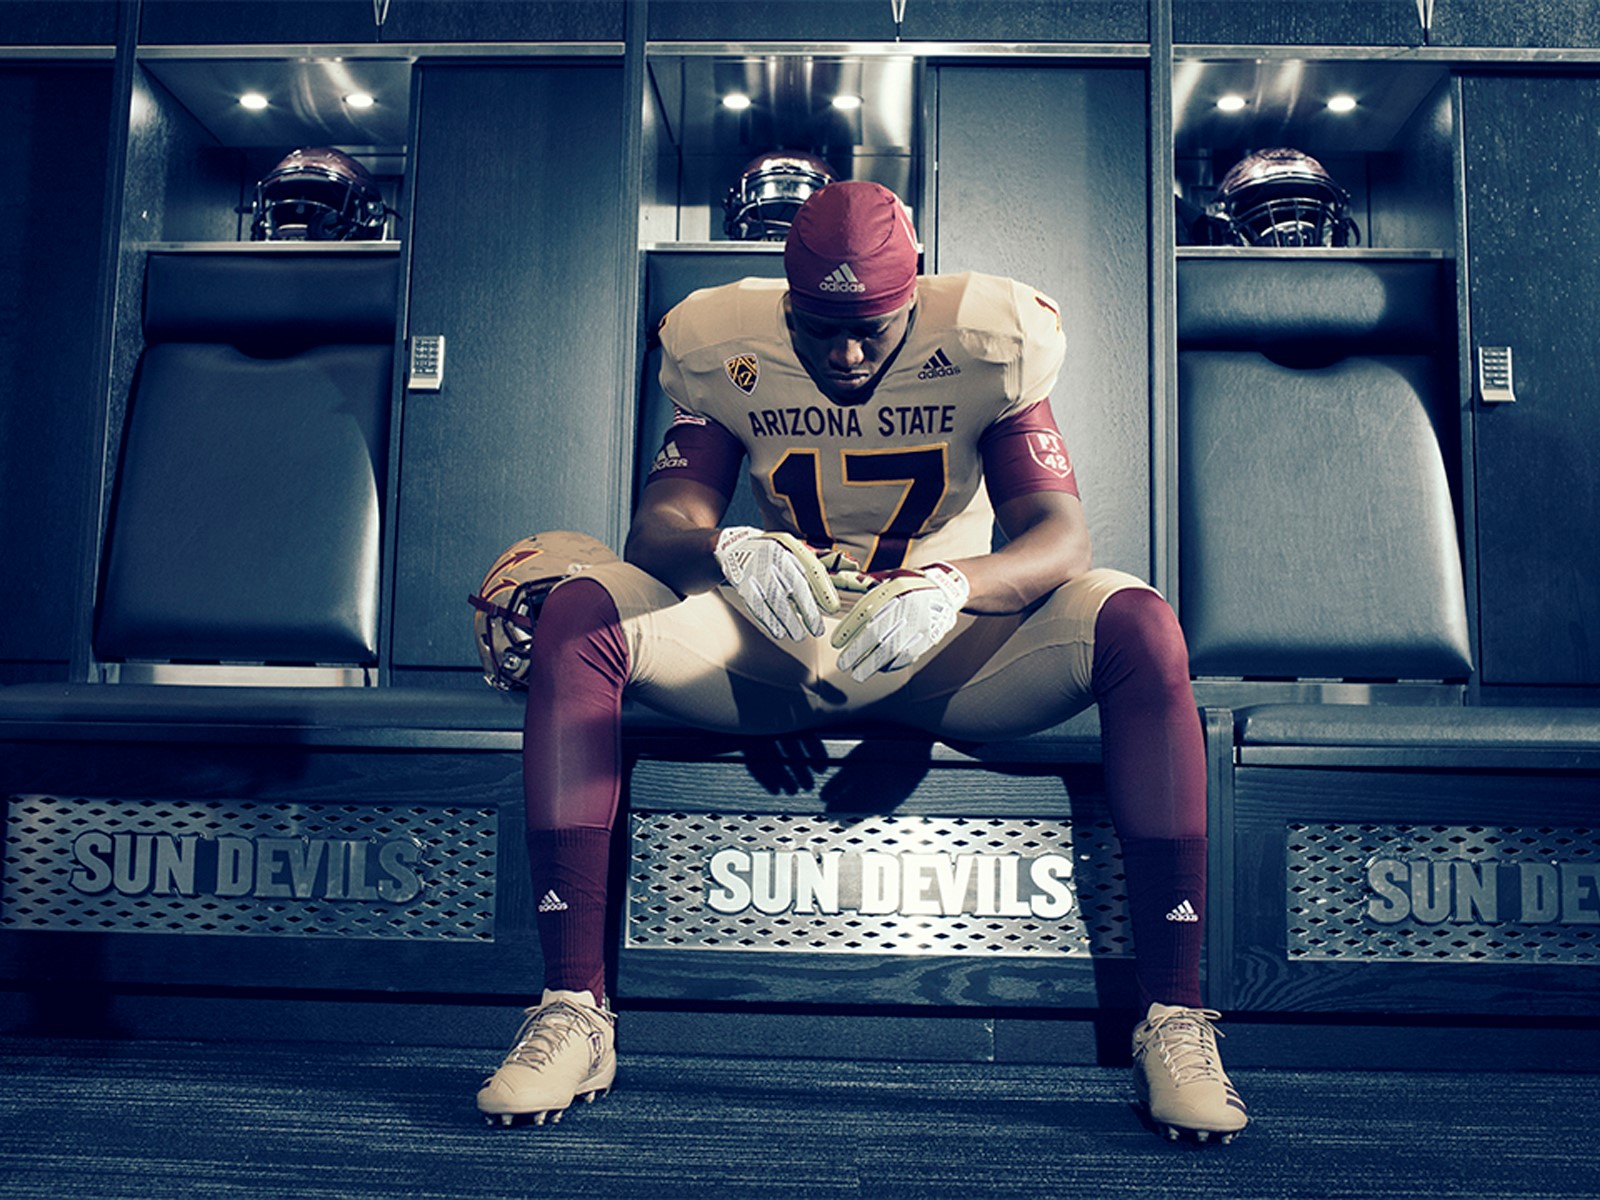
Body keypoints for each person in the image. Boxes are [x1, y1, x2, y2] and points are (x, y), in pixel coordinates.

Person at [475, 181, 1248, 1143]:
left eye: (871, 331)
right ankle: (572, 1009)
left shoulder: (986, 336)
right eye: (819, 329)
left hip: (945, 647)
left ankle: (1173, 1016)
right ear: (786, 303)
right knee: (581, 615)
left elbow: (1060, 539)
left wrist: (956, 584)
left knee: (1140, 624)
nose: (845, 355)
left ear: (915, 296)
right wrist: (724, 549)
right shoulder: (724, 341)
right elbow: (660, 523)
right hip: (782, 640)